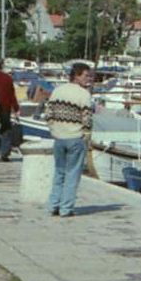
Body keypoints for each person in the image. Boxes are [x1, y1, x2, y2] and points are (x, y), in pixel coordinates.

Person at [43, 62, 94, 217]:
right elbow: (87, 120)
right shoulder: (84, 94)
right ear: (76, 76)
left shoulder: (57, 91)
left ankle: (53, 205)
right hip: (75, 138)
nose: (88, 79)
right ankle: (66, 208)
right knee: (72, 174)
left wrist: (54, 129)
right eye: (86, 75)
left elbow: (48, 114)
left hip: (58, 137)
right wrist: (86, 136)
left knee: (59, 172)